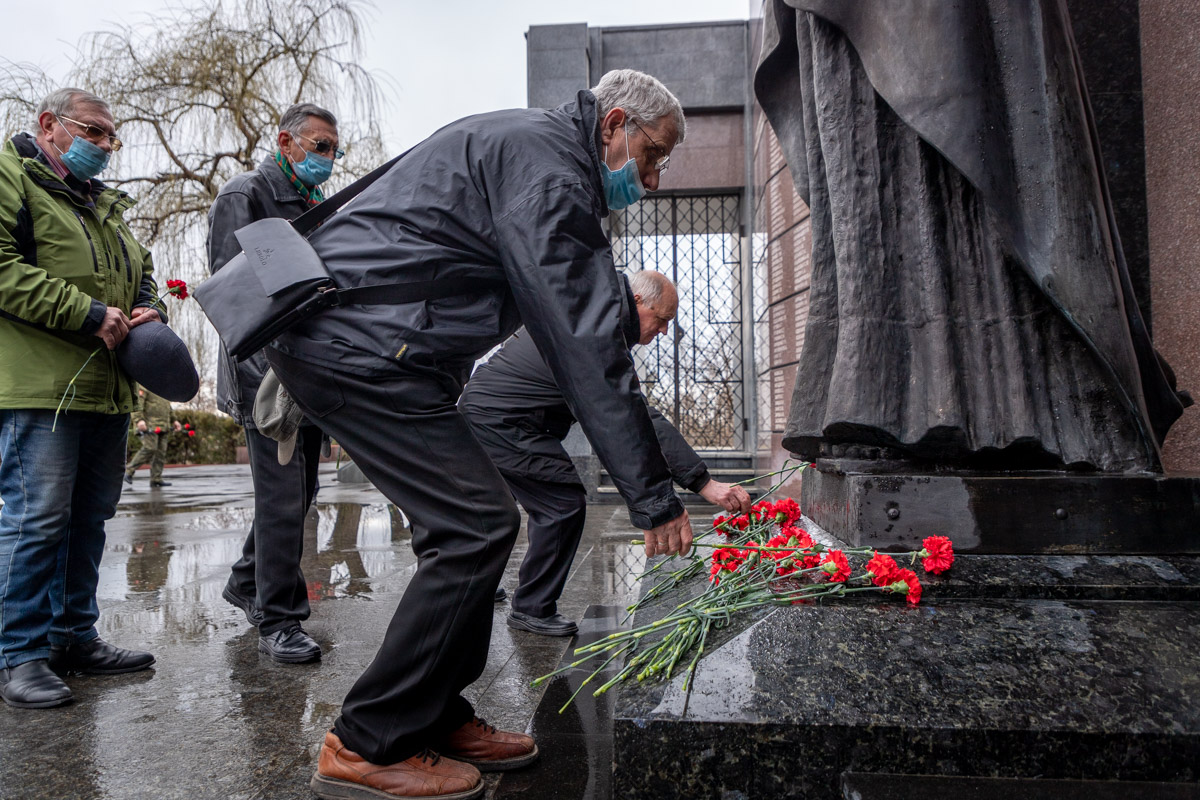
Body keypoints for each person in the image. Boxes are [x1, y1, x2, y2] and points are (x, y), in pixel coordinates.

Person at [249, 69, 690, 800]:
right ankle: (365, 742)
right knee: (476, 523)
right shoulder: (551, 175)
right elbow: (582, 343)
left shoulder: (540, 153)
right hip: (358, 347)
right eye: (653, 155)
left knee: (468, 523)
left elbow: (562, 308)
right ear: (614, 124)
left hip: (374, 345)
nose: (651, 177)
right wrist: (654, 496)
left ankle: (433, 712)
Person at [461, 270, 752, 636]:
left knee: (496, 512)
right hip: (502, 420)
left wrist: (698, 480)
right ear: (638, 302)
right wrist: (703, 483)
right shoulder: (597, 332)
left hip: (495, 415)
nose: (663, 331)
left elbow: (636, 413)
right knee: (561, 504)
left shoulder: (594, 314)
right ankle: (531, 608)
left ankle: (475, 586)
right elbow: (634, 419)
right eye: (661, 319)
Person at [0, 88, 158, 709]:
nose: (103, 146)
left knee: (88, 519)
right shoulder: (13, 177)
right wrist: (85, 312)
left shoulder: (105, 206)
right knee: (36, 521)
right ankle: (19, 654)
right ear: (49, 125)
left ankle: (73, 636)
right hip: (41, 387)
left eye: (109, 137)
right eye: (92, 132)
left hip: (105, 389)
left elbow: (142, 268)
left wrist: (151, 306)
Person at [206, 103, 343, 664]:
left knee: (302, 492)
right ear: (285, 141)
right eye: (319, 146)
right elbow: (233, 289)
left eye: (334, 149)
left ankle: (246, 581)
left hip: (304, 371)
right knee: (284, 496)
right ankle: (279, 619)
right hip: (266, 375)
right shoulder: (246, 195)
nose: (328, 159)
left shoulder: (312, 203)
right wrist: (271, 367)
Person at [123, 387, 177, 487]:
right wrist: (139, 420)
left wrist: (174, 420)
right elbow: (137, 403)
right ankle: (129, 471)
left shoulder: (163, 389)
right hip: (149, 425)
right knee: (150, 448)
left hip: (163, 425)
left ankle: (156, 478)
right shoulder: (145, 385)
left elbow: (168, 407)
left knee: (160, 453)